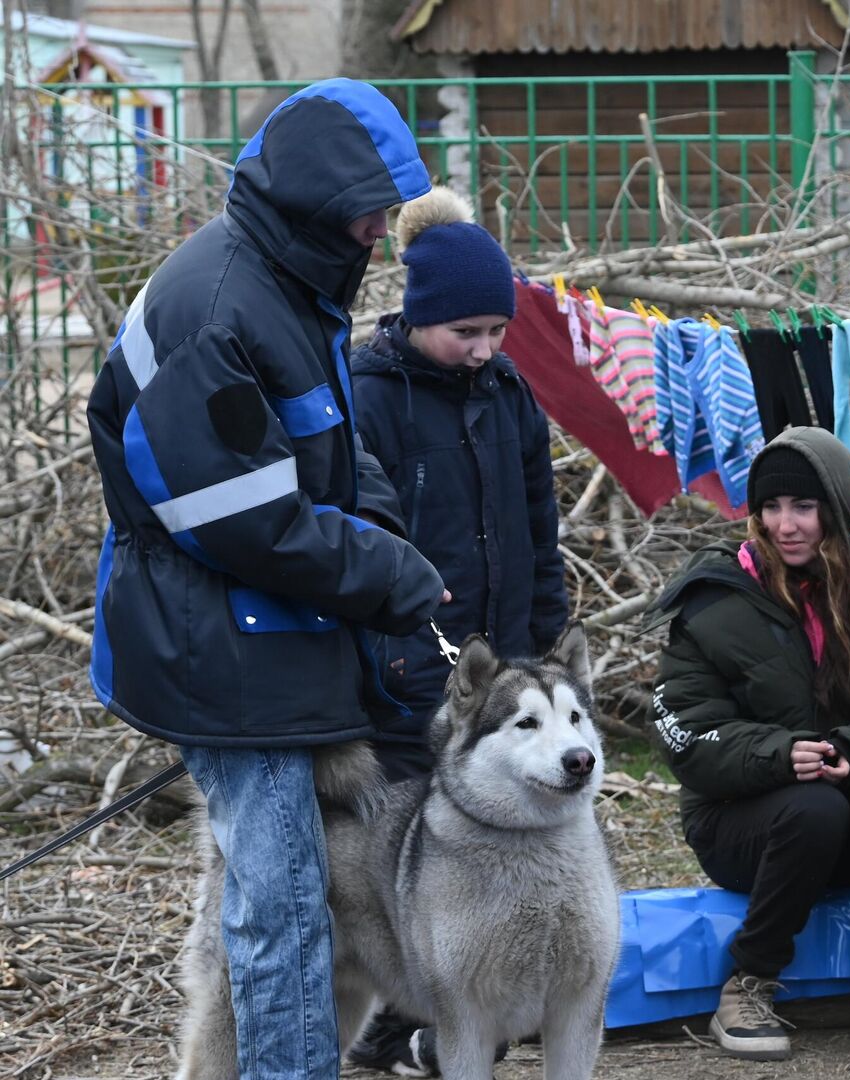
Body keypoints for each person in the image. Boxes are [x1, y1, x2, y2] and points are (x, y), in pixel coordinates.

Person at [87, 79, 446, 1079]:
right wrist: (382, 570)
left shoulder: (295, 281)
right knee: (283, 907)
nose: (385, 228)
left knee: (288, 905)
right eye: (374, 207)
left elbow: (330, 449)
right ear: (321, 201)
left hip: (275, 629)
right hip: (216, 638)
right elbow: (238, 519)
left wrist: (378, 523)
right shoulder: (220, 306)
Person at [646, 427, 850, 1062]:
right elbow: (683, 728)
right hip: (746, 829)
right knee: (815, 805)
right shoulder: (716, 600)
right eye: (770, 507)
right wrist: (777, 754)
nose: (785, 524)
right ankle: (749, 983)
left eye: (803, 507)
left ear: (838, 510)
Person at [342, 187, 569, 1075]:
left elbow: (538, 525)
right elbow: (361, 531)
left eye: (495, 333)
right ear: (420, 316)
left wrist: (543, 647)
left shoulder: (509, 393)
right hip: (407, 671)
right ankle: (396, 1028)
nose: (482, 350)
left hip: (504, 665)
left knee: (494, 842)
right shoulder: (369, 396)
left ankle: (463, 1016)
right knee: (410, 852)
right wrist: (395, 645)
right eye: (464, 333)